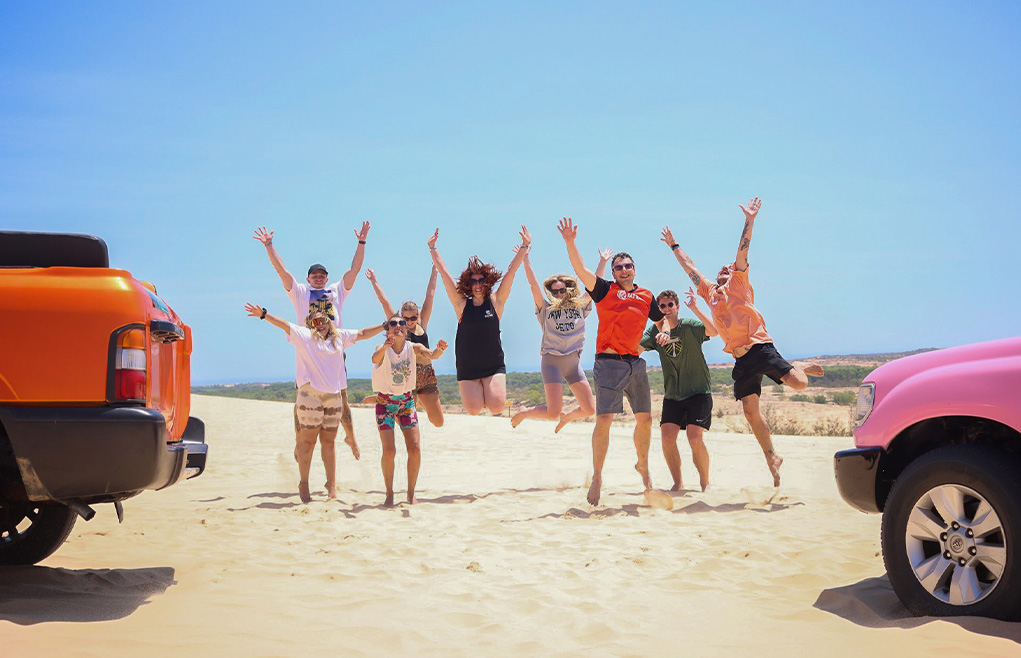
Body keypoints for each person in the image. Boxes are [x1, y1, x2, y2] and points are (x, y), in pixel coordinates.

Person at [661, 197, 823, 487]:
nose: (726, 268)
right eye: (722, 268)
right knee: (751, 413)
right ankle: (772, 457)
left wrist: (750, 220)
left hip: (761, 348)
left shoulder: (739, 282)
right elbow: (690, 266)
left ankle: (796, 365)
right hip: (740, 359)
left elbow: (742, 250)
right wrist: (674, 245)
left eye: (729, 267)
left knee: (799, 384)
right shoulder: (709, 290)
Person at [558, 217, 664, 505]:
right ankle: (597, 478)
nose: (623, 270)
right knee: (603, 419)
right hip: (608, 363)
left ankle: (643, 468)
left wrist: (659, 336)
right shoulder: (605, 290)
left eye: (627, 265)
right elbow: (581, 271)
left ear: (634, 269)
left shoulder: (646, 295)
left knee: (646, 420)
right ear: (614, 272)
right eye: (618, 267)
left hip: (636, 365)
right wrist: (570, 242)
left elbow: (662, 322)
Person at [244, 302, 383, 503]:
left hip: (333, 396)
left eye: (324, 320)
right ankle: (304, 484)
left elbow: (362, 333)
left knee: (329, 442)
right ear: (310, 324)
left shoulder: (339, 338)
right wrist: (264, 314)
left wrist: (384, 326)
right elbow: (284, 325)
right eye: (316, 321)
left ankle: (331, 487)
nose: (321, 324)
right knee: (307, 441)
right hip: (310, 395)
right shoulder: (306, 336)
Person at [253, 224, 369, 459]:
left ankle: (350, 436)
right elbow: (282, 271)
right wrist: (269, 245)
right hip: (306, 349)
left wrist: (362, 242)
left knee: (342, 396)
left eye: (322, 275)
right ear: (308, 279)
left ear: (327, 278)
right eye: (314, 276)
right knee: (301, 398)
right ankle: (299, 442)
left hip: (334, 348)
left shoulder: (336, 291)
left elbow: (354, 270)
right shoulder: (300, 293)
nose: (318, 278)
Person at [428, 226, 530, 416]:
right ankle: (479, 389)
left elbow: (511, 273)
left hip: (493, 363)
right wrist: (433, 249)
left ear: (487, 281)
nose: (477, 285)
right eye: (473, 281)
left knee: (497, 407)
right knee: (474, 409)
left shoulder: (496, 302)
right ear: (468, 284)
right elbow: (444, 274)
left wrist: (524, 246)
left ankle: (493, 391)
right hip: (468, 364)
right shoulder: (461, 305)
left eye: (481, 280)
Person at [510, 247, 612, 431]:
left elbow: (593, 285)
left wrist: (603, 262)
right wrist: (526, 259)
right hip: (552, 362)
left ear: (569, 289)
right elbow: (533, 285)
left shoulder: (580, 305)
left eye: (562, 290)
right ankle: (525, 412)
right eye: (554, 291)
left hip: (573, 364)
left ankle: (568, 417)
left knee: (589, 409)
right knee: (552, 413)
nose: (558, 294)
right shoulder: (546, 309)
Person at [640, 288, 717, 492]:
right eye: (661, 306)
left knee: (694, 437)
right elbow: (635, 348)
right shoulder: (654, 331)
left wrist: (696, 308)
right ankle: (678, 483)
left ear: (677, 306)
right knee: (666, 437)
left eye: (669, 305)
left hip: (698, 392)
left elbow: (714, 331)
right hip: (673, 395)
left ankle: (705, 483)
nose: (666, 309)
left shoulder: (689, 326)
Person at [371, 314, 448, 507]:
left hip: (406, 403)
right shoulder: (382, 349)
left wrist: (438, 349)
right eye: (393, 324)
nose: (398, 326)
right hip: (385, 403)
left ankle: (411, 493)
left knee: (414, 448)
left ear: (407, 329)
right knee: (389, 451)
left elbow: (431, 355)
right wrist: (387, 345)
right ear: (387, 329)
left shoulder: (413, 348)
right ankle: (389, 493)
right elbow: (375, 358)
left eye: (402, 323)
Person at [364, 266, 445, 427]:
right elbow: (384, 302)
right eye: (405, 318)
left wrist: (435, 270)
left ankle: (418, 401)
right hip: (407, 374)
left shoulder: (422, 323)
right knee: (405, 421)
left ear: (418, 315)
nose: (409, 322)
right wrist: (374, 281)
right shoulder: (398, 326)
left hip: (426, 373)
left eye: (413, 318)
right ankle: (385, 399)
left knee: (438, 422)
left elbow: (430, 295)